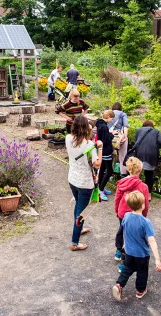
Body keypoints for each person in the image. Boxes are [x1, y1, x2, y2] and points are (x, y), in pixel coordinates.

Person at [111, 191, 161, 301]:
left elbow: (125, 230)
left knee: (127, 269)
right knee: (142, 272)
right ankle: (140, 290)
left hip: (129, 251)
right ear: (143, 205)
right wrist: (157, 259)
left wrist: (124, 244)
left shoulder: (126, 216)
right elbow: (151, 240)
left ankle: (119, 284)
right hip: (142, 254)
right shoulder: (145, 222)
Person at [66, 116, 103, 251]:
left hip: (72, 179)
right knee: (82, 212)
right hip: (84, 183)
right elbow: (97, 164)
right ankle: (75, 243)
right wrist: (100, 148)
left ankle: (78, 228)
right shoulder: (88, 146)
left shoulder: (68, 138)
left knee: (78, 205)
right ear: (85, 128)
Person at [113, 157, 150, 272]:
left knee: (121, 230)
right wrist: (144, 215)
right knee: (130, 238)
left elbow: (117, 198)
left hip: (122, 213)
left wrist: (116, 210)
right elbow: (146, 203)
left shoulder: (122, 183)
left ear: (128, 169)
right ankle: (124, 262)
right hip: (135, 214)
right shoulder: (143, 187)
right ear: (140, 171)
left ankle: (118, 250)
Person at [134, 120, 161, 193]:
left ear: (143, 125)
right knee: (149, 174)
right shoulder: (157, 131)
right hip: (151, 154)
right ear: (152, 126)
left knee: (136, 173)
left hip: (139, 153)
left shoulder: (139, 130)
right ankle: (148, 194)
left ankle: (136, 191)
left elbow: (136, 142)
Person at [95, 110, 115, 201]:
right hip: (106, 151)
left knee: (102, 169)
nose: (112, 120)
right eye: (112, 118)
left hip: (102, 150)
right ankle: (101, 189)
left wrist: (109, 134)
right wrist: (112, 135)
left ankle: (100, 187)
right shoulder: (104, 127)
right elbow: (106, 140)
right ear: (108, 117)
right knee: (109, 171)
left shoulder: (100, 124)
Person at [109, 102, 130, 176]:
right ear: (120, 108)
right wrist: (125, 137)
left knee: (108, 156)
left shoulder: (109, 113)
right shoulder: (122, 114)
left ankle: (108, 174)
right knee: (123, 158)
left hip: (110, 137)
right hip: (120, 137)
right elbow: (125, 126)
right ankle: (123, 176)